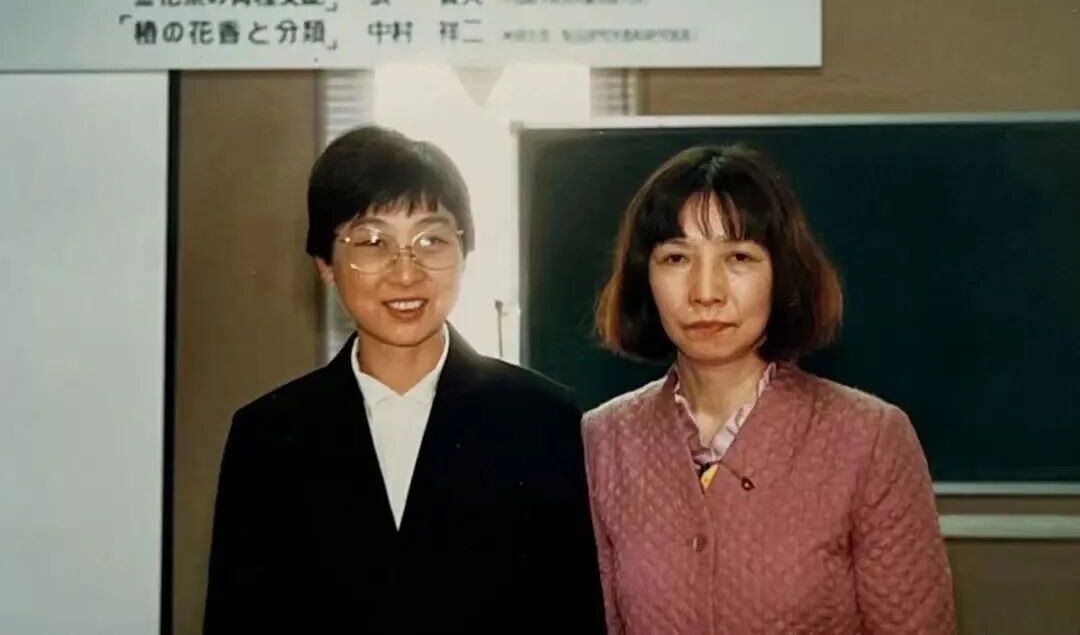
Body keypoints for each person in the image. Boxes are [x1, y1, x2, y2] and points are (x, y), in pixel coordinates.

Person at [204, 125, 604, 634]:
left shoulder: (543, 419)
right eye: (373, 242)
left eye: (431, 240)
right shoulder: (267, 435)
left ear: (464, 252)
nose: (406, 272)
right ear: (325, 263)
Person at [583, 144, 955, 634]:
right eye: (675, 258)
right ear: (644, 278)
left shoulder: (870, 440)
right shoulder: (602, 441)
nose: (706, 292)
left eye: (738, 257)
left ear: (782, 274)